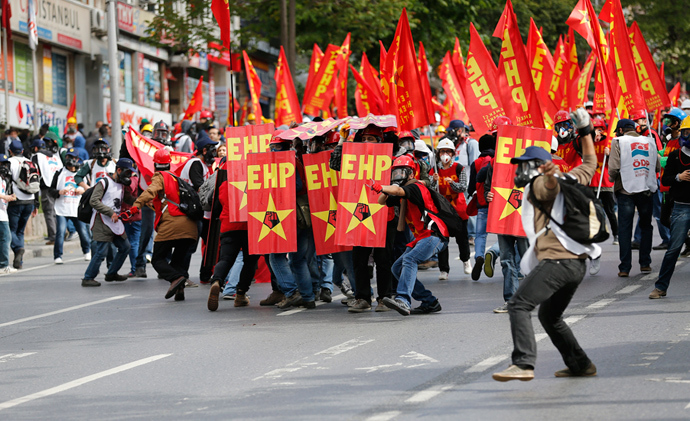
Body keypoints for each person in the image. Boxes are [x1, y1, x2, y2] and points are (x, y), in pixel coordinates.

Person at [492, 108, 598, 382]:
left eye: (522, 165)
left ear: (536, 167)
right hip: (576, 264)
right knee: (550, 317)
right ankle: (580, 364)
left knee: (518, 304)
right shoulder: (568, 178)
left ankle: (524, 364)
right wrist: (585, 131)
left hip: (558, 262)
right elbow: (589, 163)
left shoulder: (541, 182)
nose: (518, 170)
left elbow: (548, 188)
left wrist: (547, 176)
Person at [376, 155, 449, 316]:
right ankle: (429, 301)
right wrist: (384, 188)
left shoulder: (415, 187)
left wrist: (381, 186)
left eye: (402, 172)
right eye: (395, 173)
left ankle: (403, 300)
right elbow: (381, 201)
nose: (398, 176)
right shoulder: (402, 191)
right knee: (396, 268)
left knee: (409, 259)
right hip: (421, 238)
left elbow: (396, 190)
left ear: (411, 174)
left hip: (434, 235)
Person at [129, 149, 198, 301]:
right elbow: (168, 203)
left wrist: (136, 206)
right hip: (191, 227)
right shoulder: (176, 178)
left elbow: (150, 191)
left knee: (157, 259)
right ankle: (180, 289)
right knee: (177, 260)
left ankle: (175, 279)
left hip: (172, 225)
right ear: (169, 163)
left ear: (155, 164)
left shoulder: (160, 177)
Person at [206, 159, 260, 310]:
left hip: (229, 226)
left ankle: (217, 281)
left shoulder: (224, 185)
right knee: (250, 262)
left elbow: (216, 208)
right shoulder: (256, 183)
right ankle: (241, 294)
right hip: (251, 227)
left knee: (226, 259)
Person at [608, 118, 660, 277]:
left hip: (625, 191)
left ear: (621, 130)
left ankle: (624, 267)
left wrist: (612, 178)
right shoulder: (649, 140)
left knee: (624, 228)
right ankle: (645, 263)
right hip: (646, 189)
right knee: (646, 226)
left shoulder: (618, 141)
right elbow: (657, 166)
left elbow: (613, 168)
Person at [650, 116, 690, 299]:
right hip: (681, 208)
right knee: (674, 248)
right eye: (685, 132)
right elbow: (665, 180)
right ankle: (661, 287)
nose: (687, 136)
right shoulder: (675, 156)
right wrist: (678, 177)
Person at [81, 159, 136, 287]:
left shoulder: (122, 184)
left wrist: (140, 202)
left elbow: (126, 199)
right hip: (102, 220)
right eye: (127, 172)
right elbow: (94, 201)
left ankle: (112, 273)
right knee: (101, 252)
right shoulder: (104, 182)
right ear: (118, 170)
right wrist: (110, 212)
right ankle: (88, 277)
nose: (128, 176)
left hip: (115, 221)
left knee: (125, 247)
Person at [430, 138, 471, 278]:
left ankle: (466, 260)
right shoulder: (435, 169)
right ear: (438, 153)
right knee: (443, 240)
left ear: (453, 153)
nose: (445, 154)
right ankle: (444, 270)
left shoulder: (459, 168)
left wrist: (452, 183)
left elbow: (463, 187)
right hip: (442, 211)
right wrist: (432, 180)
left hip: (458, 209)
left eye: (448, 151)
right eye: (442, 151)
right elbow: (429, 189)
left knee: (462, 239)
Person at [49, 149, 91, 264]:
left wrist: (81, 191)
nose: (70, 160)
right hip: (62, 209)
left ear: (77, 159)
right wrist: (59, 192)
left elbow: (89, 189)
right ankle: (58, 256)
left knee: (82, 231)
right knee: (61, 232)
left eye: (72, 157)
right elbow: (50, 190)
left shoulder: (82, 174)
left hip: (77, 209)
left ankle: (87, 251)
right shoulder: (59, 173)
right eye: (67, 157)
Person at [7, 140, 39, 269]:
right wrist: (36, 204)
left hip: (15, 200)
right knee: (20, 231)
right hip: (30, 200)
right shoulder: (31, 162)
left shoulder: (9, 162)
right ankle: (19, 261)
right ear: (21, 150)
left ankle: (18, 249)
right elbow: (36, 184)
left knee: (10, 230)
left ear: (10, 151)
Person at [30, 138, 63, 245]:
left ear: (35, 148)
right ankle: (60, 233)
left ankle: (54, 237)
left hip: (47, 187)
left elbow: (34, 173)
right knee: (56, 211)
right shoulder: (54, 155)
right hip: (58, 186)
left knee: (49, 211)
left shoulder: (37, 156)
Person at [0, 154, 17, 274]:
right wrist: (5, 196)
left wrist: (9, 197)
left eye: (5, 164)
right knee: (6, 238)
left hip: (3, 211)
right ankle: (3, 265)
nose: (4, 167)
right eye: (2, 164)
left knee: (5, 238)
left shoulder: (3, 180)